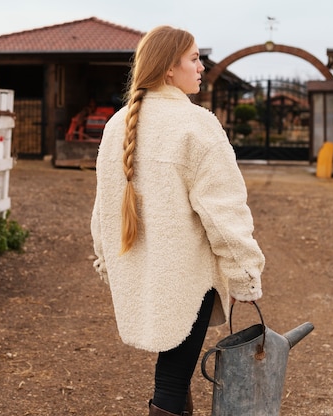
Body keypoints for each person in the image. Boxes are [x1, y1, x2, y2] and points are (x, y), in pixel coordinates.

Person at [90, 26, 265, 416]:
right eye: (194, 58)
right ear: (170, 69)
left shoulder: (118, 123)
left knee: (175, 373)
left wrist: (107, 260)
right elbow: (224, 210)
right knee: (171, 380)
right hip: (188, 277)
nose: (201, 67)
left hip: (141, 270)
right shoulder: (197, 123)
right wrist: (243, 274)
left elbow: (102, 206)